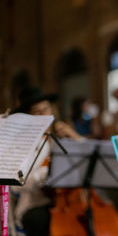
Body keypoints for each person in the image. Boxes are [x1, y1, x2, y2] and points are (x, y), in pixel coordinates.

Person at [10, 86, 82, 236]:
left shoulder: (61, 138)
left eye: (47, 109)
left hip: (67, 202)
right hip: (36, 204)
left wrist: (74, 136)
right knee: (39, 220)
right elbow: (15, 186)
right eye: (38, 112)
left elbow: (87, 159)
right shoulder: (22, 145)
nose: (45, 115)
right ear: (28, 117)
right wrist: (46, 174)